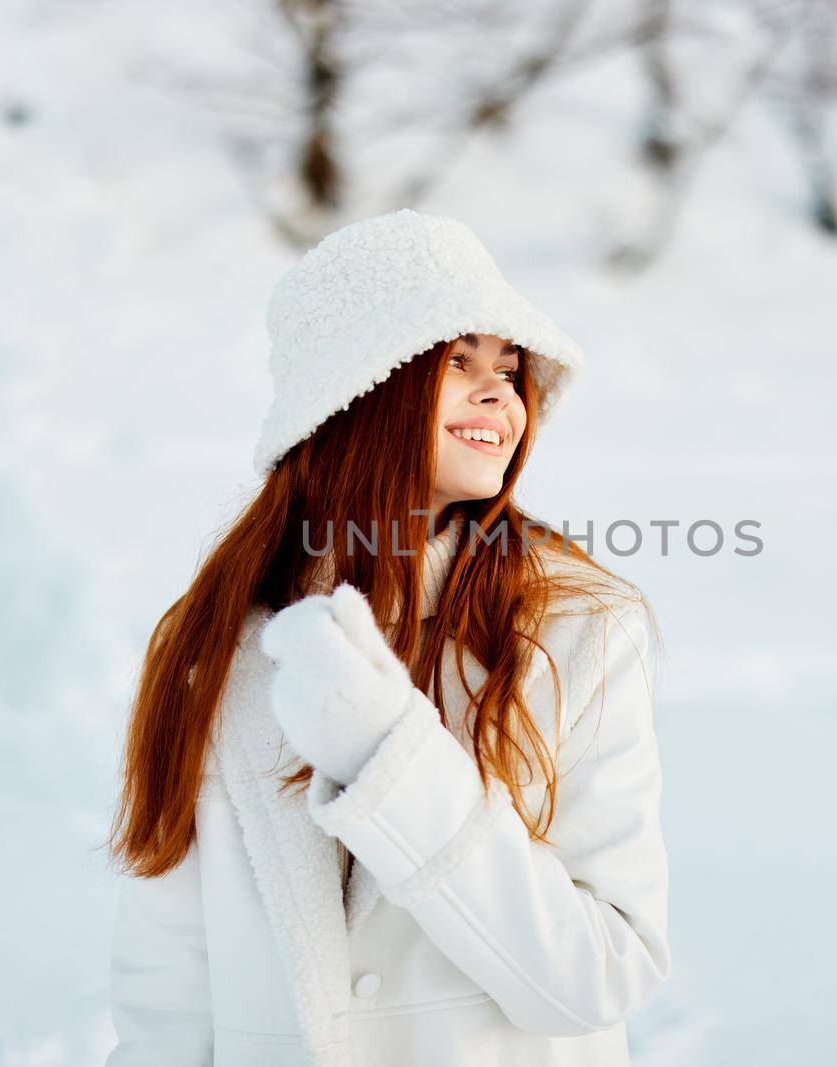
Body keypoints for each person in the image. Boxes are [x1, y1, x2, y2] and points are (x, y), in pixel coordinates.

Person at [102, 208, 670, 1066]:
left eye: (510, 370)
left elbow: (603, 975)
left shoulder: (578, 626)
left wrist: (391, 760)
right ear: (355, 390)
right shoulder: (215, 638)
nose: (500, 396)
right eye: (456, 361)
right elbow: (168, 987)